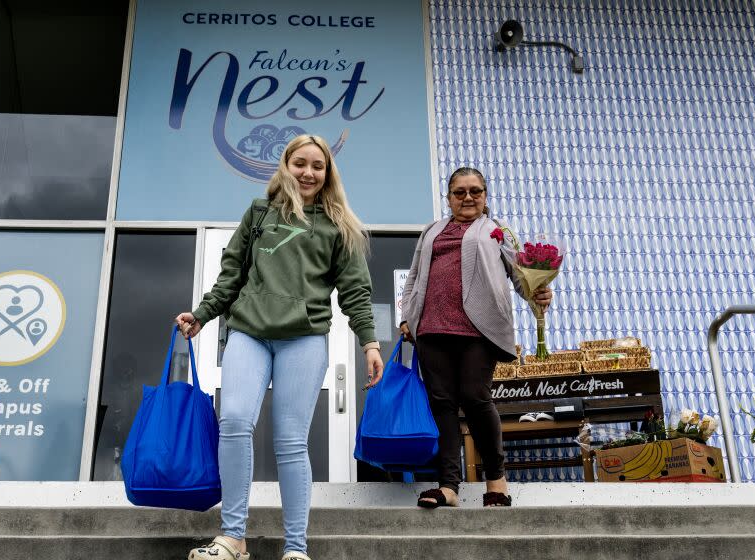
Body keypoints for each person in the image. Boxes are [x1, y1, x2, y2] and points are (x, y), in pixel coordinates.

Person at [175, 134, 384, 560]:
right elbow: (231, 274)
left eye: (317, 166)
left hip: (304, 339)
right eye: (300, 163)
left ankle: (295, 547)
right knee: (233, 421)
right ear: (285, 166)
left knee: (290, 440)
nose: (308, 172)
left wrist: (369, 342)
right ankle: (233, 537)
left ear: (328, 173)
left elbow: (356, 292)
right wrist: (202, 314)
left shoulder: (337, 225)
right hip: (249, 332)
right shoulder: (259, 213)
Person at [399, 167, 552, 508]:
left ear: (485, 196)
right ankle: (449, 486)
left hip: (478, 329)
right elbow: (413, 277)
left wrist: (537, 295)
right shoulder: (432, 231)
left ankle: (496, 481)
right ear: (449, 197)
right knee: (442, 403)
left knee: (475, 397)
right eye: (459, 192)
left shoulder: (497, 232)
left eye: (475, 191)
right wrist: (407, 316)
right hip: (432, 328)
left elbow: (521, 276)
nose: (467, 198)